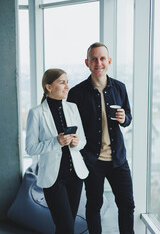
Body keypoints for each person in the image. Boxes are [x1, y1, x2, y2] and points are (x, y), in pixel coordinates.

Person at [67, 42, 135, 234]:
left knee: (127, 205)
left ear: (109, 61)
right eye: (94, 59)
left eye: (102, 58)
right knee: (94, 205)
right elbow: (71, 128)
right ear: (87, 63)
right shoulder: (76, 93)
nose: (98, 63)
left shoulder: (119, 88)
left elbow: (128, 116)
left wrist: (124, 119)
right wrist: (78, 153)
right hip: (92, 160)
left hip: (118, 159)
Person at [25, 68, 89, 234]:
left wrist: (76, 142)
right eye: (62, 82)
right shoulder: (36, 113)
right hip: (53, 180)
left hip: (75, 176)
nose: (67, 86)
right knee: (66, 227)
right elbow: (31, 148)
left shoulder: (73, 108)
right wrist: (56, 142)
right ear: (49, 86)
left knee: (65, 227)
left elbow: (83, 141)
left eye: (67, 82)